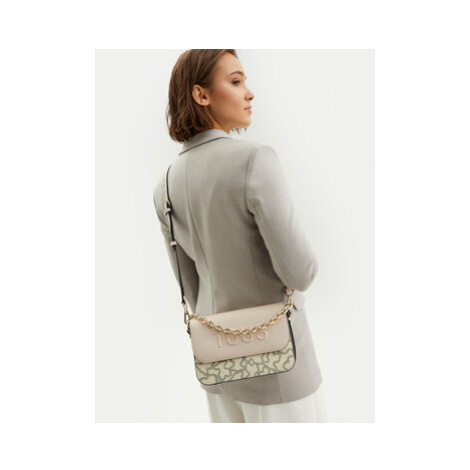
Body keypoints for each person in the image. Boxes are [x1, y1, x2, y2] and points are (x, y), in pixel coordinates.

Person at [153, 49, 328, 423]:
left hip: (219, 368)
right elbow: (301, 273)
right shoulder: (254, 159)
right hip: (279, 366)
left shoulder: (165, 185)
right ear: (201, 95)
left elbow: (191, 288)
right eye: (235, 81)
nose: (250, 92)